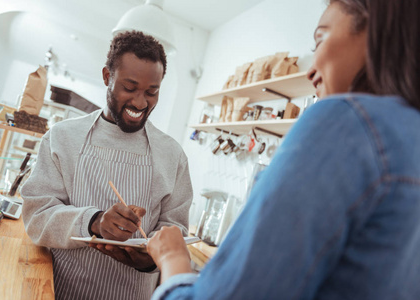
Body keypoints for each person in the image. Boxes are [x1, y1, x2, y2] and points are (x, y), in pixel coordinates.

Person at [147, 0, 420, 299]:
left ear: (376, 30)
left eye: (321, 39)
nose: (310, 70)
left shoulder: (344, 120)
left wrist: (173, 259)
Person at [21, 31, 193, 300]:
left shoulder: (173, 156)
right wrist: (94, 221)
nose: (140, 102)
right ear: (106, 77)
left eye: (152, 91)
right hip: (62, 290)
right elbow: (36, 215)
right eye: (129, 87)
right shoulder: (62, 137)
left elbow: (176, 230)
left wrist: (148, 260)